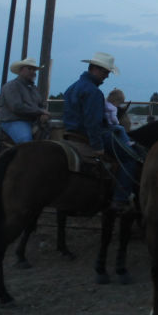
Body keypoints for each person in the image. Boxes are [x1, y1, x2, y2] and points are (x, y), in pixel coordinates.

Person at [62, 52, 136, 213]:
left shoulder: (72, 87)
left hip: (71, 132)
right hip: (90, 135)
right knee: (130, 158)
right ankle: (120, 199)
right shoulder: (94, 92)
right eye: (105, 72)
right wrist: (97, 145)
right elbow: (92, 122)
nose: (107, 77)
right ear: (95, 69)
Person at [0, 58, 50, 144]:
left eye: (34, 70)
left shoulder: (33, 88)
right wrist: (40, 111)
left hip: (32, 122)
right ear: (21, 70)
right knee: (25, 141)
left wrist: (43, 114)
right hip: (13, 121)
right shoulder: (11, 86)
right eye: (29, 69)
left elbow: (40, 104)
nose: (33, 72)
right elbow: (17, 107)